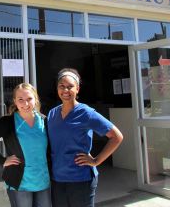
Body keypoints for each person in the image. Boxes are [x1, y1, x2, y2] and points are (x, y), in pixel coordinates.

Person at [48, 68, 123, 207]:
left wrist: (96, 160)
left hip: (80, 179)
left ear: (77, 89)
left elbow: (116, 136)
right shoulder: (52, 114)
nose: (65, 90)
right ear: (57, 88)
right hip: (57, 179)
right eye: (62, 86)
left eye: (70, 86)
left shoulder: (86, 113)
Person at [0, 83, 51, 207]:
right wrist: (2, 160)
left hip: (43, 181)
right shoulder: (7, 122)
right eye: (21, 100)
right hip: (20, 183)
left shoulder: (44, 120)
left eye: (29, 99)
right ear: (15, 101)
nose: (26, 103)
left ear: (35, 99)